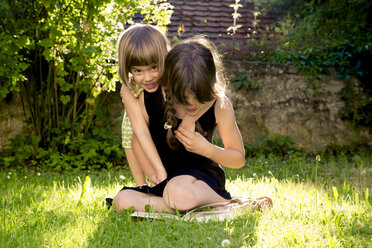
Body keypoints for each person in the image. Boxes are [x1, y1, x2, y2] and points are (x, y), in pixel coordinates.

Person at [111, 36, 271, 214]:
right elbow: (137, 140)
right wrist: (154, 173)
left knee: (177, 192)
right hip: (166, 181)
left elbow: (238, 159)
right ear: (169, 84)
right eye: (184, 99)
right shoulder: (149, 97)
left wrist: (206, 149)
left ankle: (220, 201)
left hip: (200, 181)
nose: (193, 105)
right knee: (121, 200)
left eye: (200, 98)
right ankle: (218, 207)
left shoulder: (219, 105)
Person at [117, 23, 169, 186]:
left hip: (158, 124)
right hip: (136, 127)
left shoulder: (169, 81)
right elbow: (140, 131)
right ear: (129, 69)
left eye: (154, 67)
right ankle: (144, 185)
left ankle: (160, 181)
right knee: (132, 142)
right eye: (138, 71)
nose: (147, 78)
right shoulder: (129, 89)